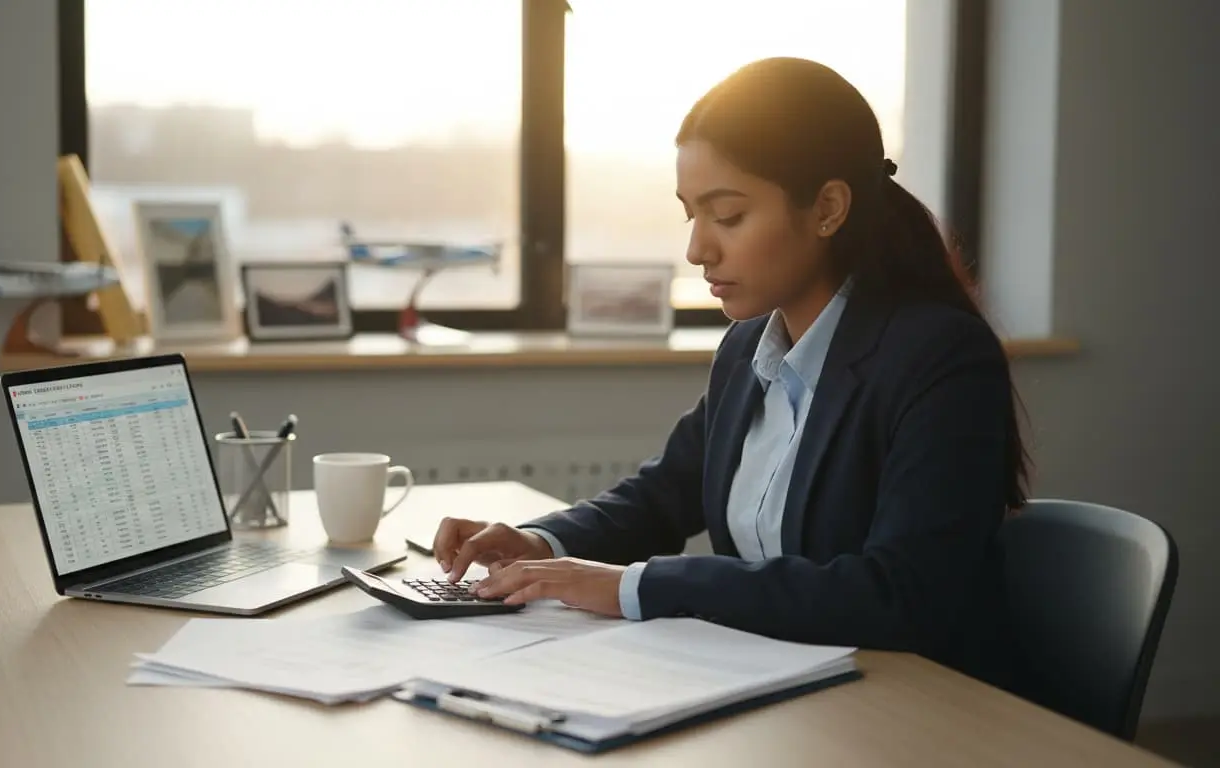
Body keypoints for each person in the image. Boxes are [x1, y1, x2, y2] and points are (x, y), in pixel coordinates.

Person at [434, 57, 1030, 689]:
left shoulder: (940, 357)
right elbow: (664, 494)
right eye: (690, 213)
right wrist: (541, 544)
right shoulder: (749, 347)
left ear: (827, 208)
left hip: (912, 705)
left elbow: (896, 592)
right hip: (775, 685)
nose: (697, 249)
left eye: (728, 215)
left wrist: (637, 585)